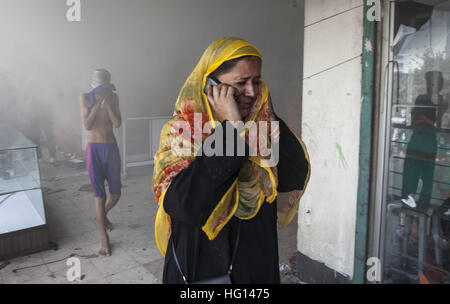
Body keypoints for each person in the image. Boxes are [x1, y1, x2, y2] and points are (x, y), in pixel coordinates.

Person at [152, 38, 311, 284]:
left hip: (254, 265)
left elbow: (295, 174)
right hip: (201, 268)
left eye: (256, 81)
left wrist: (265, 113)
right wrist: (231, 130)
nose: (251, 91)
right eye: (241, 83)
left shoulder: (260, 129)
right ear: (211, 86)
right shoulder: (183, 130)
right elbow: (184, 205)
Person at [80, 69, 122, 256]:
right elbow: (87, 125)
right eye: (99, 88)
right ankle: (104, 239)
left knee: (115, 195)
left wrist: (107, 104)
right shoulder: (85, 97)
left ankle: (102, 217)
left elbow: (117, 123)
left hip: (110, 148)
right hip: (94, 150)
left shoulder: (114, 98)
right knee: (100, 196)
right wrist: (97, 104)